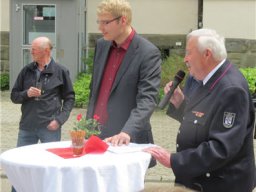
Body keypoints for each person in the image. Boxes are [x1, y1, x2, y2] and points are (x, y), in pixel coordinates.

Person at [144, 28, 255, 192]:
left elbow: (222, 147)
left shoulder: (232, 89)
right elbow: (202, 122)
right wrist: (181, 103)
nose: (185, 58)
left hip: (220, 184)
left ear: (207, 54)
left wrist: (175, 160)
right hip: (196, 177)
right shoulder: (197, 78)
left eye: (189, 52)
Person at [86, 0, 161, 148]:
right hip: (96, 134)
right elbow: (95, 88)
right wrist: (87, 126)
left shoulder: (148, 52)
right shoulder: (102, 45)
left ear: (123, 20)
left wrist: (127, 132)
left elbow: (147, 99)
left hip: (125, 137)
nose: (100, 27)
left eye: (106, 22)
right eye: (99, 22)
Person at [10, 37, 75, 147]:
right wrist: (27, 94)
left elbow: (70, 98)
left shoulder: (61, 71)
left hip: (50, 127)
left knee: (50, 161)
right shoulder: (26, 70)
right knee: (22, 161)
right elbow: (14, 96)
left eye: (34, 49)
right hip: (27, 126)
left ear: (46, 51)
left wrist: (59, 120)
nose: (31, 52)